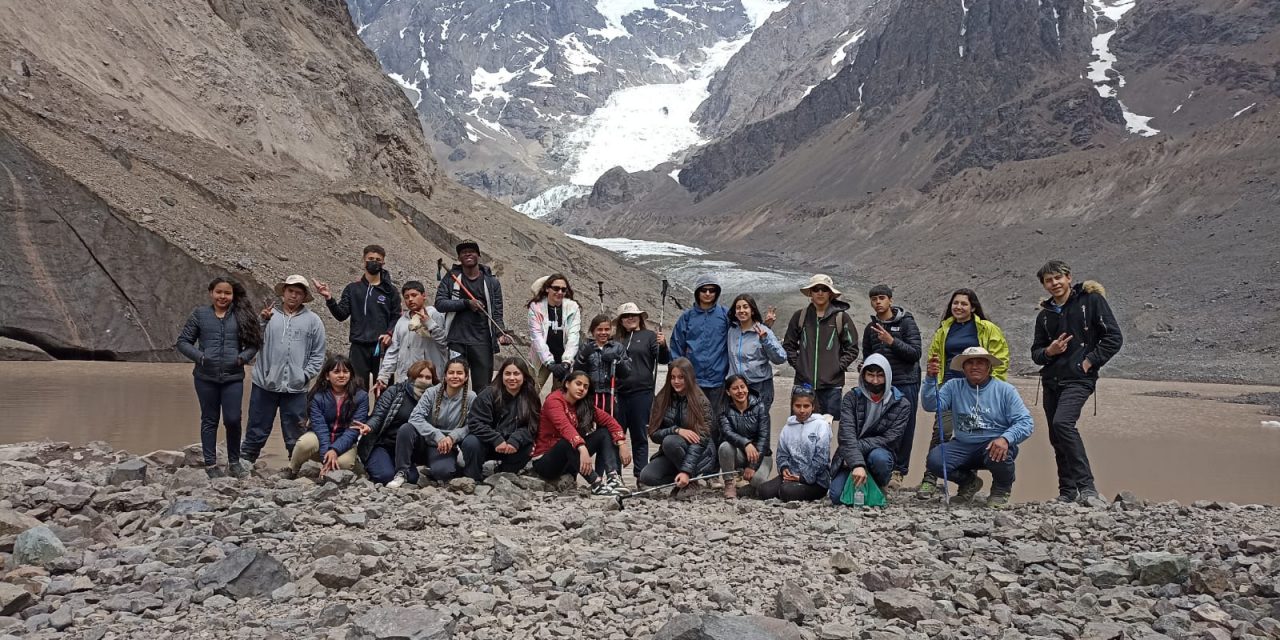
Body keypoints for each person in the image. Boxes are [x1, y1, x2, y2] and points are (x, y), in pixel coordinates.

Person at [1031, 260, 1123, 506]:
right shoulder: (1045, 315)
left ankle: (1087, 487)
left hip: (1079, 378)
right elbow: (1036, 353)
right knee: (1056, 434)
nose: (1054, 284)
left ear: (1069, 277)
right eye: (1048, 281)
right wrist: (1049, 351)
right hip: (1051, 380)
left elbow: (1113, 337)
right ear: (1044, 285)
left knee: (1063, 423)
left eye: (1058, 278)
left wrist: (1090, 361)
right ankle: (1067, 490)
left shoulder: (1091, 301)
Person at [917, 288, 1009, 499]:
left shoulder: (987, 329)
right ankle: (930, 478)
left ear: (973, 307)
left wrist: (993, 387)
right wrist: (934, 378)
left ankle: (968, 483)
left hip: (977, 387)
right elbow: (934, 356)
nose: (958, 307)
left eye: (964, 304)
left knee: (973, 432)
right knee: (941, 429)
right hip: (949, 386)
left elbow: (1000, 358)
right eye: (955, 303)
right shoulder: (944, 329)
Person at [922, 347, 1034, 507]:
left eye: (980, 362)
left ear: (989, 367)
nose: (975, 367)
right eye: (970, 363)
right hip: (962, 444)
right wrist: (930, 379)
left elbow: (1026, 422)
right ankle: (969, 482)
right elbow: (931, 404)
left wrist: (1005, 438)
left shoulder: (1005, 390)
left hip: (993, 445)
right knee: (935, 460)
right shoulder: (953, 386)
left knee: (1001, 452)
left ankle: (1001, 489)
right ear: (963, 367)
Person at [176, 277, 262, 478]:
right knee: (209, 420)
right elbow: (183, 342)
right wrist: (200, 357)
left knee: (233, 419)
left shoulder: (241, 316)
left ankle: (234, 462)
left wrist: (242, 358)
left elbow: (254, 343)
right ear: (211, 293)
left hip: (233, 377)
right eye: (219, 292)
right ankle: (210, 464)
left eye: (227, 293)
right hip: (205, 377)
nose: (223, 296)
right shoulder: (200, 314)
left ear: (233, 296)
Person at [241, 275, 326, 467]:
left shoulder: (313, 321)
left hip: (296, 388)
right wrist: (262, 321)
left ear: (304, 297)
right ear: (283, 293)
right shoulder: (268, 316)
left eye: (298, 293)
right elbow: (250, 341)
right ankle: (245, 463)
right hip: (265, 383)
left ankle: (297, 466)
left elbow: (318, 353)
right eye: (290, 291)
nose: (293, 296)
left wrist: (305, 375)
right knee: (257, 426)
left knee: (296, 430)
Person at [313, 245, 400, 391]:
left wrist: (390, 333)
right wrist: (329, 298)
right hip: (358, 346)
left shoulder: (390, 291)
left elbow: (396, 316)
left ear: (383, 263)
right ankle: (359, 414)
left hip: (382, 347)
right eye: (370, 259)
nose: (374, 262)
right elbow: (341, 315)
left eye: (378, 260)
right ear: (363, 261)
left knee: (384, 390)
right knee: (357, 390)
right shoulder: (353, 289)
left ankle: (381, 415)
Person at [860, 284, 922, 488]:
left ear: (890, 300)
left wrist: (891, 341)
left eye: (881, 298)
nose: (877, 302)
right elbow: (869, 355)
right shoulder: (870, 328)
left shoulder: (906, 323)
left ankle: (899, 471)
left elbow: (915, 353)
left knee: (905, 427)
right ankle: (880, 466)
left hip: (905, 381)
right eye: (874, 299)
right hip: (880, 384)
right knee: (879, 424)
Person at [531, 370, 633, 495]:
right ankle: (596, 483)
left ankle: (613, 477)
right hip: (547, 462)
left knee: (604, 433)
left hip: (571, 458)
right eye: (578, 384)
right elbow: (564, 427)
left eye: (585, 387)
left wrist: (622, 442)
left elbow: (609, 421)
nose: (581, 389)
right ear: (567, 384)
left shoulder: (583, 404)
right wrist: (582, 447)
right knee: (566, 442)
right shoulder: (553, 401)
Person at [829, 354, 911, 504]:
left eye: (880, 375)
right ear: (863, 375)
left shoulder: (902, 404)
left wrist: (856, 454)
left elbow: (890, 438)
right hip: (851, 455)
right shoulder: (851, 398)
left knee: (880, 459)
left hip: (876, 453)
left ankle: (880, 485)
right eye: (870, 375)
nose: (875, 380)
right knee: (836, 497)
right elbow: (846, 435)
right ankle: (861, 478)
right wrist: (857, 464)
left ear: (888, 376)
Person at [436, 240, 510, 392]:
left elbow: (496, 312)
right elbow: (440, 303)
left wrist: (500, 333)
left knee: (482, 388)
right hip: (457, 340)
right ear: (459, 257)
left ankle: (478, 416)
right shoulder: (451, 278)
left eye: (471, 251)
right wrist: (466, 303)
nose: (467, 253)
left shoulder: (491, 282)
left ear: (478, 255)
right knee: (455, 385)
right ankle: (456, 415)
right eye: (463, 252)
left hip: (482, 342)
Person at [390, 358, 475, 487]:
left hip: (448, 446)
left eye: (459, 373)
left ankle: (446, 466)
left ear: (466, 376)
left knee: (443, 473)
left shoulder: (471, 397)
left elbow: (472, 425)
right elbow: (415, 417)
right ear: (445, 376)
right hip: (426, 439)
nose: (455, 376)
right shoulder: (432, 392)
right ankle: (402, 472)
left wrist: (452, 437)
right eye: (451, 373)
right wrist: (437, 436)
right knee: (406, 429)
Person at [783, 274, 859, 416]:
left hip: (832, 388)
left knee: (828, 429)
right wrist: (799, 365)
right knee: (800, 428)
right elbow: (789, 345)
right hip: (803, 386)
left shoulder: (841, 318)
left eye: (824, 289)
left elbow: (852, 348)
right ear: (810, 293)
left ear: (830, 293)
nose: (820, 292)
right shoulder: (800, 317)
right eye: (816, 289)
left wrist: (837, 367)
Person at [637, 358, 716, 489]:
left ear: (689, 378)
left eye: (681, 377)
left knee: (670, 441)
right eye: (673, 377)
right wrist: (676, 430)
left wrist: (686, 471)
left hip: (700, 453)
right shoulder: (662, 398)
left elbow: (702, 440)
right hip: (671, 452)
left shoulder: (701, 401)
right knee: (647, 476)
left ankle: (690, 481)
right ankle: (682, 479)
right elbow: (654, 434)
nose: (676, 381)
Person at [613, 302, 669, 481]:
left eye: (634, 315)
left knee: (639, 437)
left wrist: (663, 346)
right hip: (618, 395)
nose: (630, 318)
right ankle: (615, 476)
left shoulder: (650, 336)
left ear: (639, 317)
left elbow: (663, 360)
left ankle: (641, 476)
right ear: (621, 320)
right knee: (616, 435)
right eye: (626, 315)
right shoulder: (615, 339)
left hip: (642, 393)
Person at [289, 355, 370, 477]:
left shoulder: (361, 397)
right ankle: (292, 470)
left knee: (343, 464)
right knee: (303, 444)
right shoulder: (318, 396)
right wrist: (326, 456)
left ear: (351, 374)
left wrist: (335, 450)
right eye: (336, 372)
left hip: (345, 440)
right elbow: (320, 428)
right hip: (320, 437)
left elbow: (353, 430)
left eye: (345, 371)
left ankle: (353, 464)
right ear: (327, 376)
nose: (342, 375)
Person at [460, 358, 539, 481]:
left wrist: (516, 439)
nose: (512, 378)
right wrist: (496, 439)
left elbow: (533, 426)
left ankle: (503, 474)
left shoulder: (530, 397)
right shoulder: (488, 394)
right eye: (507, 374)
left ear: (524, 376)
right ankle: (472, 477)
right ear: (501, 375)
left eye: (516, 374)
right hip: (487, 442)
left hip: (511, 445)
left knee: (528, 447)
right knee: (471, 442)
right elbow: (475, 422)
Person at [360, 360, 438, 485]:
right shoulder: (395, 391)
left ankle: (401, 468)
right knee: (385, 476)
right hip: (384, 444)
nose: (423, 380)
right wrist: (369, 426)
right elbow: (378, 416)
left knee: (412, 479)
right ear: (412, 376)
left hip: (409, 451)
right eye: (420, 376)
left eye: (428, 377)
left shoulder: (435, 398)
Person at [669, 274, 730, 418]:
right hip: (692, 380)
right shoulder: (687, 317)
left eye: (712, 290)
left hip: (718, 380)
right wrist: (679, 376)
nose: (708, 293)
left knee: (716, 421)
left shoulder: (725, 314)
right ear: (697, 292)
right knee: (692, 419)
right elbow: (676, 346)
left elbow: (741, 334)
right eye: (704, 290)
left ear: (717, 292)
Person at [757, 386, 832, 502]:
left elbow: (821, 459)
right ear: (792, 406)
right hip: (791, 476)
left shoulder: (821, 426)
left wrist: (803, 478)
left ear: (813, 407)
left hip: (816, 480)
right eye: (798, 406)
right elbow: (782, 454)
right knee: (763, 491)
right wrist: (784, 468)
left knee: (786, 492)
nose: (802, 410)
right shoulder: (787, 428)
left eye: (806, 406)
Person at [375, 281, 448, 395]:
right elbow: (393, 351)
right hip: (405, 379)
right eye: (406, 297)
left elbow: (444, 343)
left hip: (429, 379)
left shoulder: (434, 314)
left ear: (424, 296)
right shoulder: (401, 321)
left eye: (414, 295)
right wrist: (383, 376)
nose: (410, 299)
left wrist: (429, 324)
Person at [727, 294, 787, 414]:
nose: (742, 310)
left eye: (745, 307)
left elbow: (780, 358)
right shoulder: (732, 331)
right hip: (738, 387)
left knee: (759, 426)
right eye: (738, 308)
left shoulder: (763, 331)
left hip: (760, 387)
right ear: (734, 312)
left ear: (752, 310)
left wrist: (765, 340)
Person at [717, 375, 772, 499]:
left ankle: (748, 489)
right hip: (739, 454)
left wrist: (753, 466)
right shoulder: (723, 409)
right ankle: (729, 483)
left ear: (747, 388)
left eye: (743, 387)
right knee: (725, 447)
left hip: (761, 455)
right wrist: (746, 444)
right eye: (735, 388)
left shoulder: (760, 407)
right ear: (728, 392)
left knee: (759, 481)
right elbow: (727, 433)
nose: (740, 391)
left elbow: (764, 438)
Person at [528, 274, 581, 393]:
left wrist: (566, 362)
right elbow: (536, 337)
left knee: (560, 396)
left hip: (563, 359)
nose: (560, 292)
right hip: (540, 359)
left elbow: (574, 336)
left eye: (563, 289)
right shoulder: (536, 308)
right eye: (556, 288)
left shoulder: (572, 308)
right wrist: (549, 363)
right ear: (547, 288)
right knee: (530, 392)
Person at [573, 314, 632, 418]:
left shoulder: (618, 347)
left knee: (609, 425)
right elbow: (576, 372)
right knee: (589, 425)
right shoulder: (586, 347)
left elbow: (626, 373)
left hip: (610, 394)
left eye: (607, 329)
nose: (603, 332)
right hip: (590, 394)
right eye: (599, 329)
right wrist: (583, 356)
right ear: (593, 331)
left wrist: (618, 360)